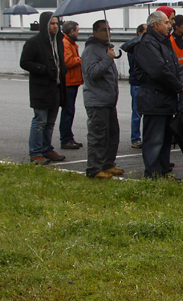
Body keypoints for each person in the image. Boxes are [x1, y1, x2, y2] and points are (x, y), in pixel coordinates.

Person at [132, 11, 183, 178]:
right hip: (154, 99)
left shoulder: (164, 42)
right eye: (166, 22)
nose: (169, 25)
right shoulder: (147, 44)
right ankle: (152, 174)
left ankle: (163, 171)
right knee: (154, 140)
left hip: (166, 99)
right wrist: (179, 86)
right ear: (155, 25)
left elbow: (176, 66)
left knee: (165, 140)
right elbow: (159, 70)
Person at [19, 12, 67, 164]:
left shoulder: (58, 41)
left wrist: (62, 68)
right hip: (41, 88)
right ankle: (35, 152)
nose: (55, 26)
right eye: (52, 24)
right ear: (45, 25)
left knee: (50, 122)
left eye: (56, 24)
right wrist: (43, 69)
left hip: (56, 87)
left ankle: (47, 149)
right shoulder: (34, 42)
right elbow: (24, 62)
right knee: (40, 121)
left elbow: (60, 60)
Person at [81, 20, 122, 178]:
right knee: (98, 135)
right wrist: (107, 59)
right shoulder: (91, 50)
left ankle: (108, 164)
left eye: (109, 29)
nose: (107, 32)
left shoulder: (105, 48)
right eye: (103, 30)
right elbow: (92, 73)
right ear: (95, 32)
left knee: (112, 134)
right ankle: (94, 168)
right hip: (97, 101)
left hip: (108, 101)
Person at [119, 23, 146, 148]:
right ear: (140, 33)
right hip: (137, 83)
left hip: (144, 83)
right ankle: (135, 138)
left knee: (147, 113)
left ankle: (145, 137)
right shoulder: (134, 47)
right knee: (137, 112)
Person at [59, 20, 84, 149]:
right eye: (77, 30)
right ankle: (65, 139)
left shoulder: (70, 43)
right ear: (71, 31)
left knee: (70, 111)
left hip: (72, 81)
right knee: (68, 111)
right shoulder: (65, 43)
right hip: (69, 82)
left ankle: (69, 137)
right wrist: (81, 59)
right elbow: (68, 62)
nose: (78, 32)